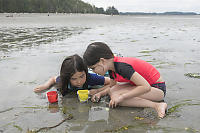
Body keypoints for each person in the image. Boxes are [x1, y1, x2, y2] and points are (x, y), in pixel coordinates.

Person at [83, 42, 167, 118]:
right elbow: (112, 87)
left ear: (102, 61)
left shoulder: (122, 67)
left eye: (93, 68)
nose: (93, 71)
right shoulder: (112, 67)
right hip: (147, 87)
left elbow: (146, 87)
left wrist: (122, 97)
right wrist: (100, 93)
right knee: (113, 92)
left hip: (157, 89)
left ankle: (156, 105)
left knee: (118, 99)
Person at [34, 54, 110, 97]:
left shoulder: (90, 78)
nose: (79, 81)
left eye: (81, 76)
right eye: (74, 79)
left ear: (85, 73)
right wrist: (45, 86)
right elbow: (54, 79)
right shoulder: (64, 80)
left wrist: (97, 91)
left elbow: (112, 82)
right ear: (68, 78)